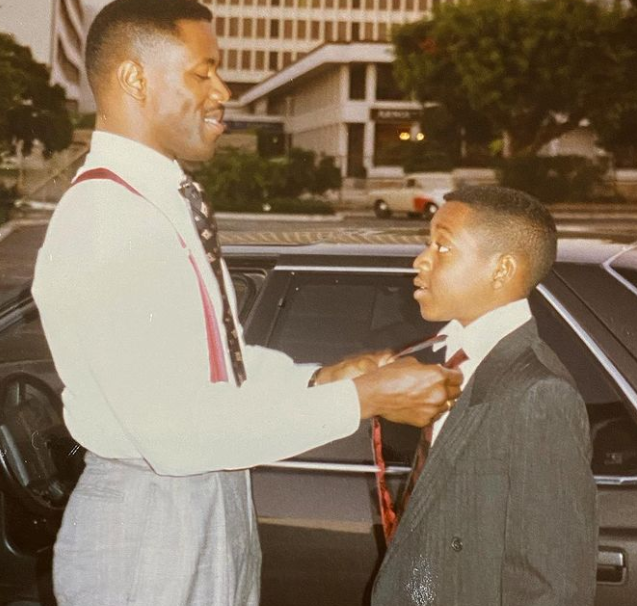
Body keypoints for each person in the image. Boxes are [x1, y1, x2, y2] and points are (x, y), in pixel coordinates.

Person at [31, 1, 462, 605]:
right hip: (153, 512)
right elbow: (173, 432)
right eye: (202, 72)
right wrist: (362, 399)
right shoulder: (108, 219)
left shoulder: (156, 201)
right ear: (135, 78)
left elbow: (212, 367)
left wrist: (320, 380)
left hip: (202, 494)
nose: (223, 90)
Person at [372, 185, 598, 606]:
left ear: (501, 270)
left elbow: (552, 585)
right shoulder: (444, 357)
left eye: (443, 246)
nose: (420, 259)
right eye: (427, 243)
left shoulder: (538, 393)